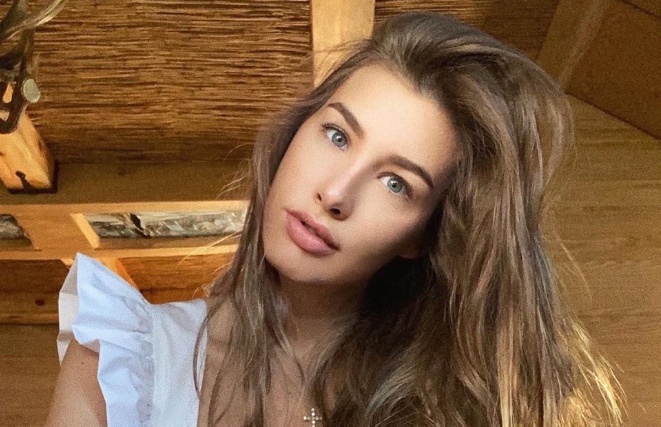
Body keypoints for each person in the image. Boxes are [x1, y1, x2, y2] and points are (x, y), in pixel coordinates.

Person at [46, 12, 623, 426]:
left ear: (422, 237)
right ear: (295, 133)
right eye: (337, 135)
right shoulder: (119, 362)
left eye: (396, 183)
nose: (336, 193)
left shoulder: (441, 403)